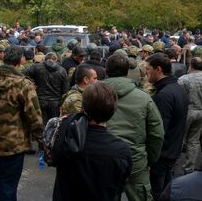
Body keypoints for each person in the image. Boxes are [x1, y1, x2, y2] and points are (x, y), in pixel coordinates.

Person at [0, 45, 44, 201]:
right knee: (8, 186)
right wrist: (41, 141)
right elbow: (35, 116)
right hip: (13, 144)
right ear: (21, 60)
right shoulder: (24, 84)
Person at [53, 82, 133, 201]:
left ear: (83, 108)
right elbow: (121, 183)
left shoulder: (67, 139)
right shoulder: (121, 150)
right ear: (113, 110)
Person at [103, 54, 164, 201]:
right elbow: (157, 134)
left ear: (107, 70)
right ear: (127, 71)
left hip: (102, 159)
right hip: (135, 160)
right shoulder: (144, 98)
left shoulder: (93, 94)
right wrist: (150, 160)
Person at [146, 53, 189, 200]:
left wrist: (152, 158)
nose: (146, 72)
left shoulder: (164, 94)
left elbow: (159, 131)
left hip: (163, 154)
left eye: (148, 69)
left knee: (157, 193)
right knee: (167, 191)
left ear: (158, 69)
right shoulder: (177, 88)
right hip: (172, 150)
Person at [177, 57, 202, 174]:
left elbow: (177, 96)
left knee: (179, 139)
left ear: (191, 65)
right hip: (201, 112)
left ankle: (173, 164)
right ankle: (189, 167)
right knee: (194, 141)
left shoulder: (183, 79)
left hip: (186, 112)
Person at [23, 52, 69, 126]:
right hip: (56, 102)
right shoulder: (62, 70)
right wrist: (62, 102)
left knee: (41, 123)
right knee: (54, 125)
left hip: (40, 101)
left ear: (44, 59)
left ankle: (42, 137)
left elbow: (23, 74)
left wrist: (32, 83)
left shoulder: (36, 67)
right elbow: (65, 89)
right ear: (56, 60)